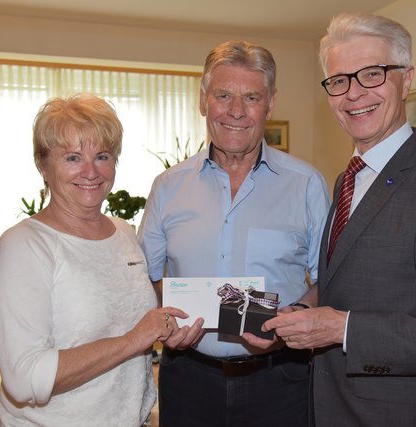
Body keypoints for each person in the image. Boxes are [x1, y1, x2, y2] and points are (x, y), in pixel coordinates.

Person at [255, 13, 416, 426]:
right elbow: (346, 282)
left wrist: (342, 329)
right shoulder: (348, 179)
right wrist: (302, 311)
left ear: (406, 81)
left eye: (371, 74)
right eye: (339, 80)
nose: (353, 94)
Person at [138, 40, 330, 427]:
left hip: (281, 380)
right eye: (223, 95)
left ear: (271, 103)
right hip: (188, 378)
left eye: (251, 97)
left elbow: (329, 279)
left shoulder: (306, 184)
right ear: (203, 100)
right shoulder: (168, 186)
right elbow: (147, 277)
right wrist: (166, 320)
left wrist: (294, 317)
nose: (237, 111)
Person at [0, 93, 189, 426]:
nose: (91, 171)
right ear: (43, 165)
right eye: (73, 158)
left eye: (102, 156)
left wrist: (176, 320)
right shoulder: (23, 247)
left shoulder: (124, 233)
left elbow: (131, 308)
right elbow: (24, 379)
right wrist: (135, 339)